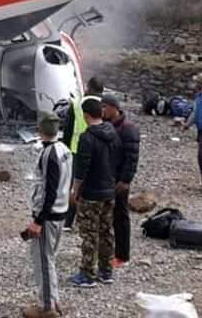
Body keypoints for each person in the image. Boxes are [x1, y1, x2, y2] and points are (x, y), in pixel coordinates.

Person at [21, 113, 71, 318]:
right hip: (61, 211)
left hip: (48, 216)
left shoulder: (49, 154)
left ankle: (47, 307)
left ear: (40, 130)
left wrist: (38, 221)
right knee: (49, 258)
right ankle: (53, 300)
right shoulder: (65, 150)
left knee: (43, 261)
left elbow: (49, 190)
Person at [69, 99, 120, 288]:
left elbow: (81, 169)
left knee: (89, 234)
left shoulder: (87, 138)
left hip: (91, 192)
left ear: (86, 115)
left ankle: (87, 274)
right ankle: (106, 271)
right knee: (106, 231)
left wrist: (75, 190)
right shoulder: (113, 133)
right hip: (109, 190)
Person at [60, 77, 104, 232]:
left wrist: (64, 148)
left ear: (88, 87)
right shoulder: (105, 105)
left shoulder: (77, 104)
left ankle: (68, 221)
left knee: (74, 186)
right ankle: (93, 219)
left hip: (76, 149)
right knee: (94, 184)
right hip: (99, 150)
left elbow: (68, 129)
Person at [100, 95, 139, 267]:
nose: (102, 111)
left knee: (120, 216)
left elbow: (132, 157)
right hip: (106, 177)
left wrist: (125, 180)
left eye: (105, 107)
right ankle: (106, 251)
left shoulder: (128, 128)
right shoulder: (106, 125)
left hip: (119, 180)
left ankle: (122, 255)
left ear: (114, 108)